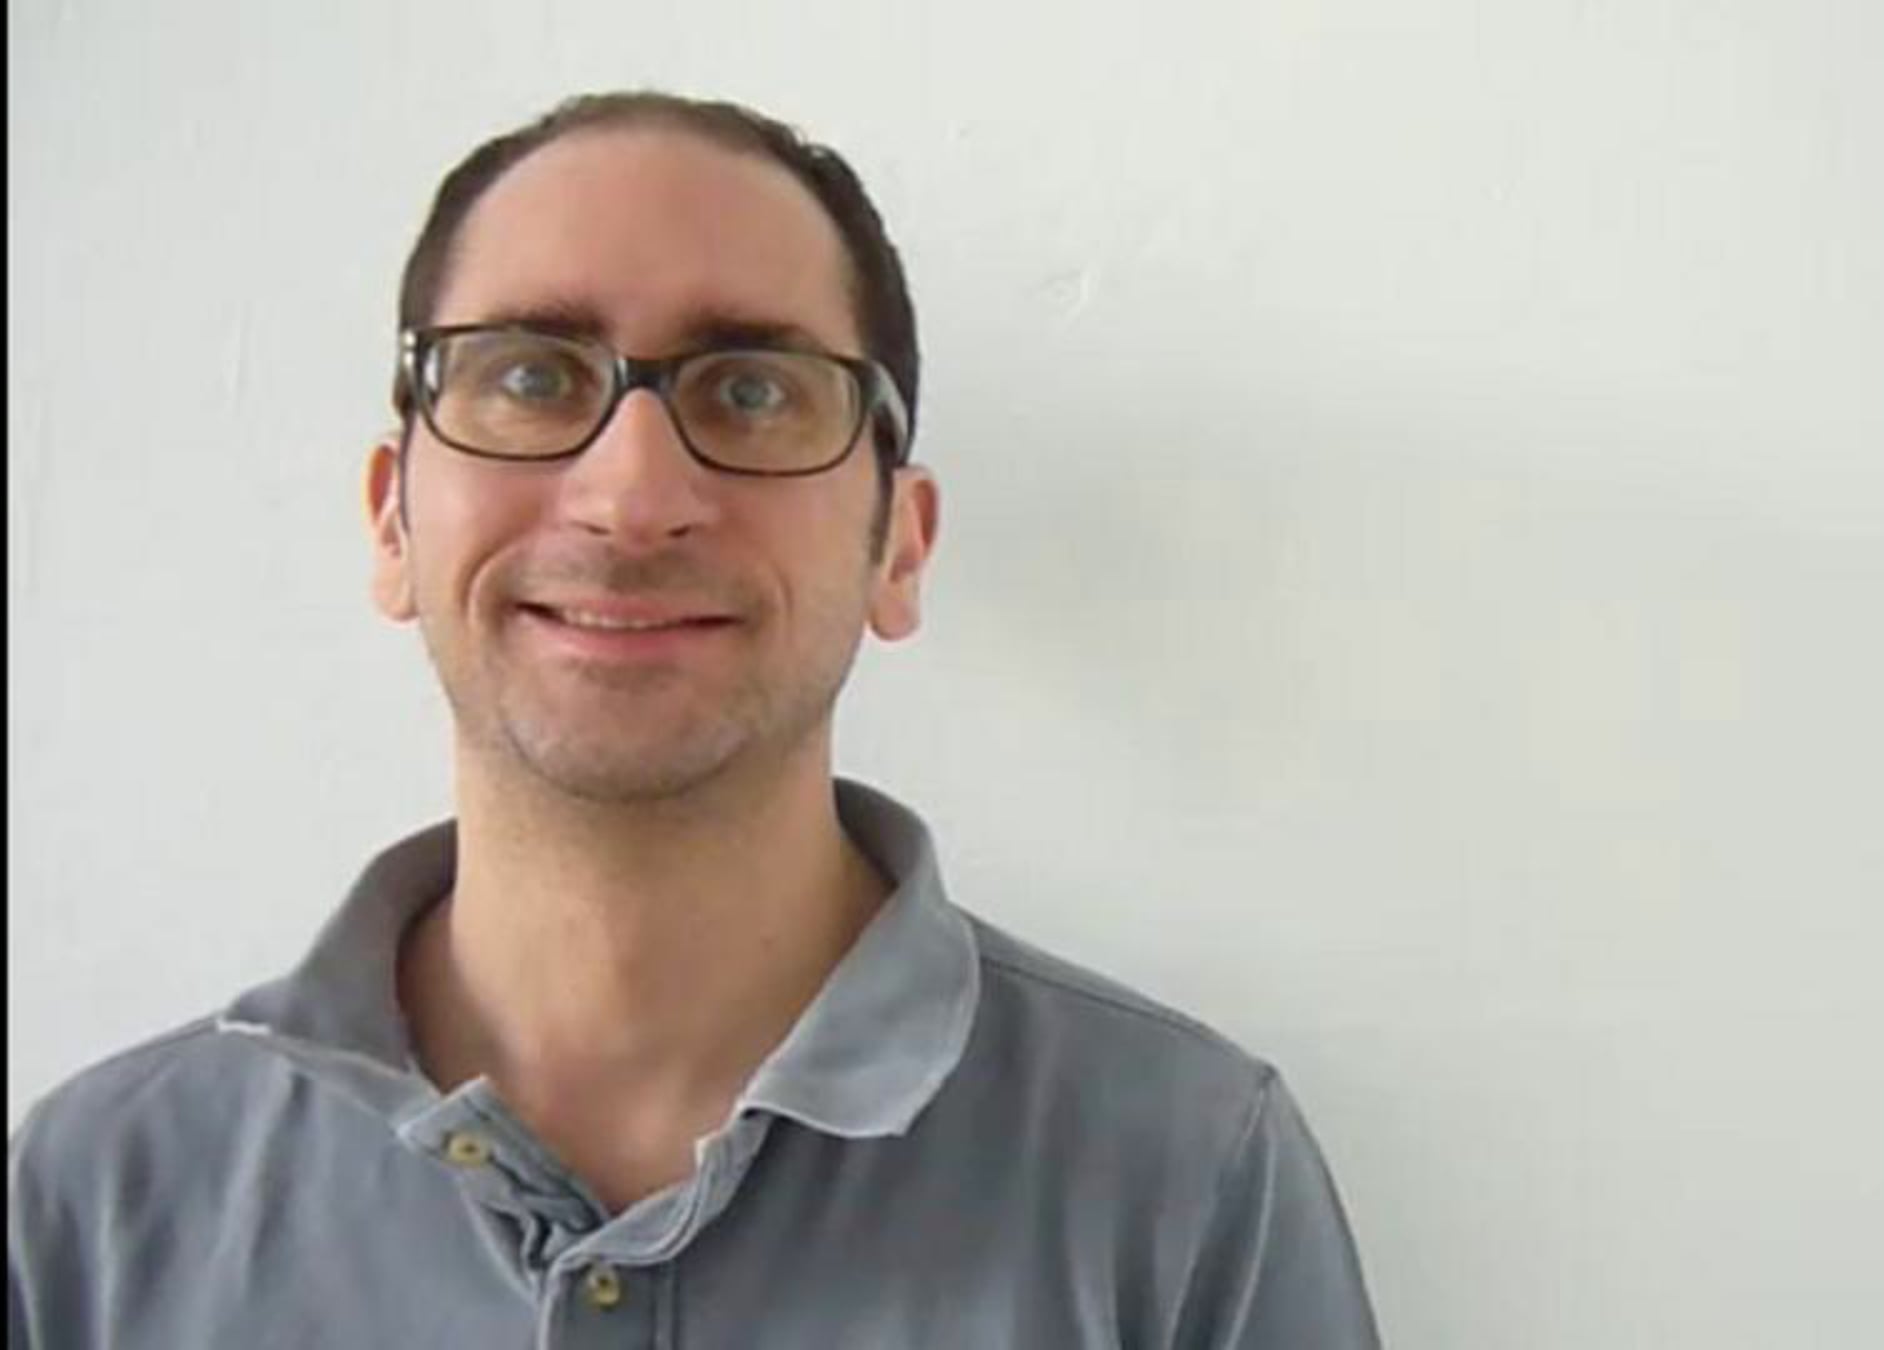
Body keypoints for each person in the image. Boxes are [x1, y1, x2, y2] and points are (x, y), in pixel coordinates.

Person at [7, 90, 1381, 1347]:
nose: (631, 498)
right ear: (392, 520)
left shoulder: (1189, 1178)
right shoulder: (91, 1207)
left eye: (753, 391)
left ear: (900, 549)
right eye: (532, 376)